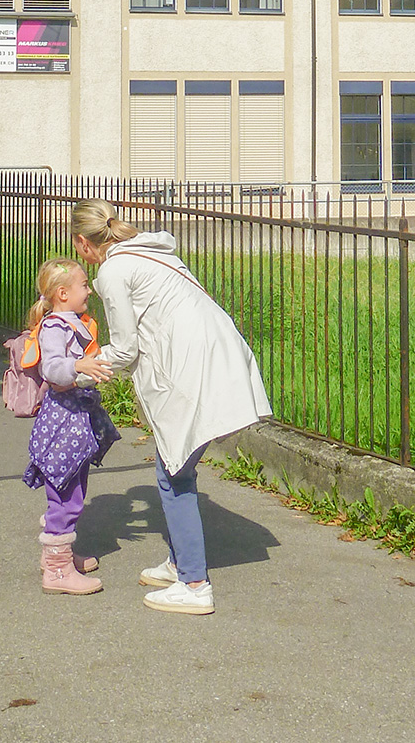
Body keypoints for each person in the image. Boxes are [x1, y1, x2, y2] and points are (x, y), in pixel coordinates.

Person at [71, 199, 271, 616]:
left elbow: (124, 349)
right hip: (218, 354)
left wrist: (77, 372)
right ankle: (181, 560)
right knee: (176, 466)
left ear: (82, 243)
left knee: (173, 473)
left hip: (192, 368)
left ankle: (194, 584)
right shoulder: (149, 249)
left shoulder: (112, 270)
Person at [22, 258, 119, 595]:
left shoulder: (73, 322)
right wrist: (79, 365)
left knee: (75, 486)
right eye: (83, 285)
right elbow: (52, 369)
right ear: (63, 293)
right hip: (63, 420)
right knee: (66, 493)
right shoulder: (54, 327)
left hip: (76, 417)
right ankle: (56, 570)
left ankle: (61, 556)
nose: (89, 290)